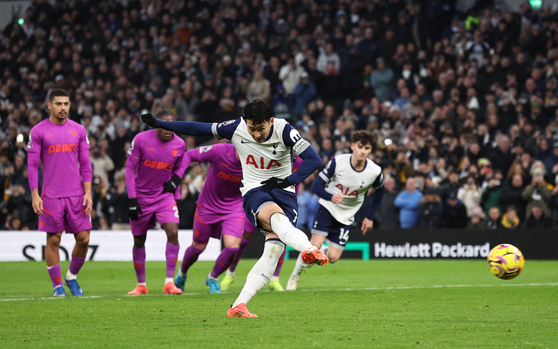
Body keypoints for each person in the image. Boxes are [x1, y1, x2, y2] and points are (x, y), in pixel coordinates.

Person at [142, 99, 327, 318]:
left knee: (273, 252)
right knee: (275, 216)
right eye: (251, 128)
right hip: (254, 191)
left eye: (260, 128)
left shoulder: (284, 129)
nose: (256, 134)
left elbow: (314, 160)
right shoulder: (235, 127)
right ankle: (308, 248)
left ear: (270, 121)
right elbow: (198, 127)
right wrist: (160, 123)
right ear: (245, 123)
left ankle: (239, 305)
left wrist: (288, 180)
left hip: (284, 193)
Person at [174, 143, 284, 293]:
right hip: (207, 206)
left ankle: (212, 278)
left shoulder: (256, 162)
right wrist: (177, 178)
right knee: (198, 247)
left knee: (232, 248)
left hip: (233, 208)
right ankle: (182, 274)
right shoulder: (220, 151)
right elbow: (190, 155)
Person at [285, 131, 384, 290]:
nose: (362, 151)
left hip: (347, 215)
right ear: (352, 146)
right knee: (312, 248)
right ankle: (295, 276)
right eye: (360, 147)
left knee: (332, 258)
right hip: (328, 208)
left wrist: (370, 217)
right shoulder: (338, 162)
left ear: (370, 149)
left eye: (366, 148)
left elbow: (380, 191)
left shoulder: (375, 171)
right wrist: (330, 197)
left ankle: (323, 249)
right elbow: (316, 185)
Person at [27, 89, 93, 297]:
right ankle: (57, 287)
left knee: (83, 239)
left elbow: (85, 163)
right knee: (53, 240)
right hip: (51, 195)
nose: (63, 108)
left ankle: (71, 277)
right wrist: (35, 194)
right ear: (49, 105)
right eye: (58, 104)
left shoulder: (79, 130)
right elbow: (31, 165)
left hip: (76, 194)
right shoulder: (38, 131)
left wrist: (88, 191)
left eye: (66, 103)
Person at [125, 110, 186, 296]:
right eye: (164, 123)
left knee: (173, 231)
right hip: (141, 197)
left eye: (171, 124)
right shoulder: (141, 140)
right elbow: (129, 168)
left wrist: (177, 184)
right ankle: (141, 284)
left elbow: (180, 166)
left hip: (163, 196)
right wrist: (132, 198)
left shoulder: (180, 144)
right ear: (157, 124)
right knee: (138, 240)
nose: (168, 128)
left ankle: (169, 283)